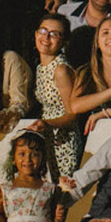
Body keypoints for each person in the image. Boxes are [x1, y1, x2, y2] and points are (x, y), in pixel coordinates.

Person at [28, 14, 81, 178]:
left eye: (54, 33)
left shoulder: (61, 70)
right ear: (36, 34)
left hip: (63, 141)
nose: (46, 37)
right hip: (47, 137)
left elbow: (72, 114)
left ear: (64, 41)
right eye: (43, 31)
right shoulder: (40, 67)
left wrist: (47, 124)